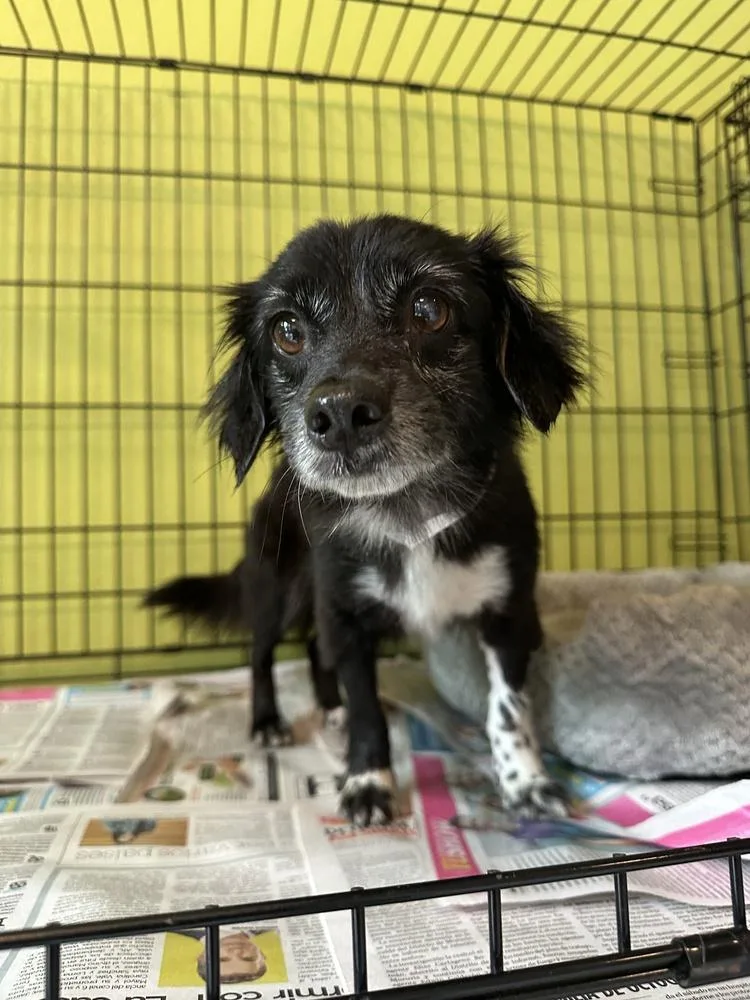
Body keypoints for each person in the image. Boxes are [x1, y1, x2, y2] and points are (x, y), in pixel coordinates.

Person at [175, 925, 275, 984]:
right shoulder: (272, 925)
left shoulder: (178, 926)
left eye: (222, 959)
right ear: (261, 954)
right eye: (248, 958)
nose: (236, 951)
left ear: (201, 956)